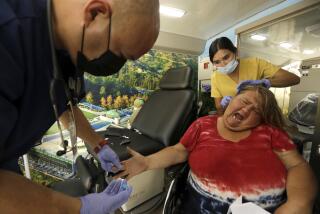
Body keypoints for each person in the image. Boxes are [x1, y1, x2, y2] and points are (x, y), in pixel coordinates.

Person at [0, 0, 159, 213]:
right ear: (94, 13)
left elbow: (63, 105)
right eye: (119, 54)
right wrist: (77, 208)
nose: (115, 67)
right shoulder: (8, 33)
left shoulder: (70, 49)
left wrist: (98, 145)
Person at [116, 85, 318, 214]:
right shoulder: (203, 125)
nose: (247, 109)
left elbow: (297, 165)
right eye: (245, 101)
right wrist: (147, 162)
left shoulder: (271, 134)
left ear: (261, 119)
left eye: (256, 110)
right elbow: (180, 151)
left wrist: (299, 203)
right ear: (233, 98)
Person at [209, 37, 300, 114]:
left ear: (236, 52)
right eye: (217, 62)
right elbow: (219, 108)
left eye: (226, 57)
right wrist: (223, 105)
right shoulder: (216, 77)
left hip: (257, 115)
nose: (223, 64)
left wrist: (265, 83)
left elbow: (294, 79)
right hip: (235, 119)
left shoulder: (255, 63)